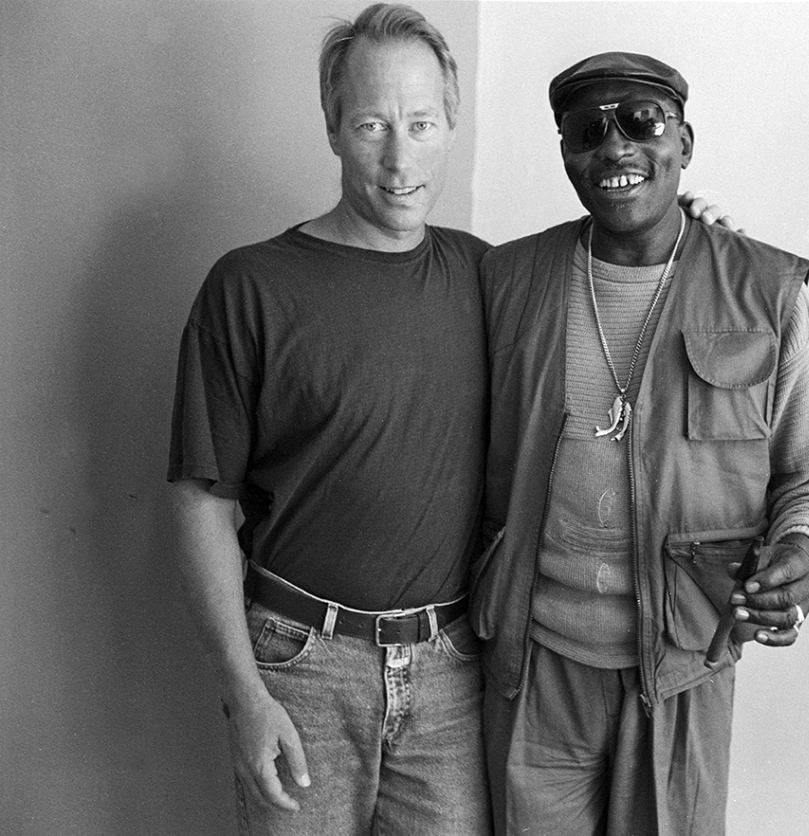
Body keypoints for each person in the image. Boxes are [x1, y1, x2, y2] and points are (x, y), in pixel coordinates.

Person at [167, 6, 731, 835]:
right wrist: (243, 692)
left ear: (452, 122)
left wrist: (698, 240)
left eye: (422, 124)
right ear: (331, 126)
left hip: (451, 671)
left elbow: (611, 266)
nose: (401, 158)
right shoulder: (249, 288)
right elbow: (199, 502)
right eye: (372, 124)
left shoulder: (486, 275)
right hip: (301, 664)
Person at [472, 52, 809, 836]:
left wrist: (801, 554)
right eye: (590, 130)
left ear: (685, 143)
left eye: (642, 122)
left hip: (686, 666)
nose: (616, 147)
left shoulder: (765, 292)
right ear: (567, 156)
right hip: (534, 668)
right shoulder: (503, 282)